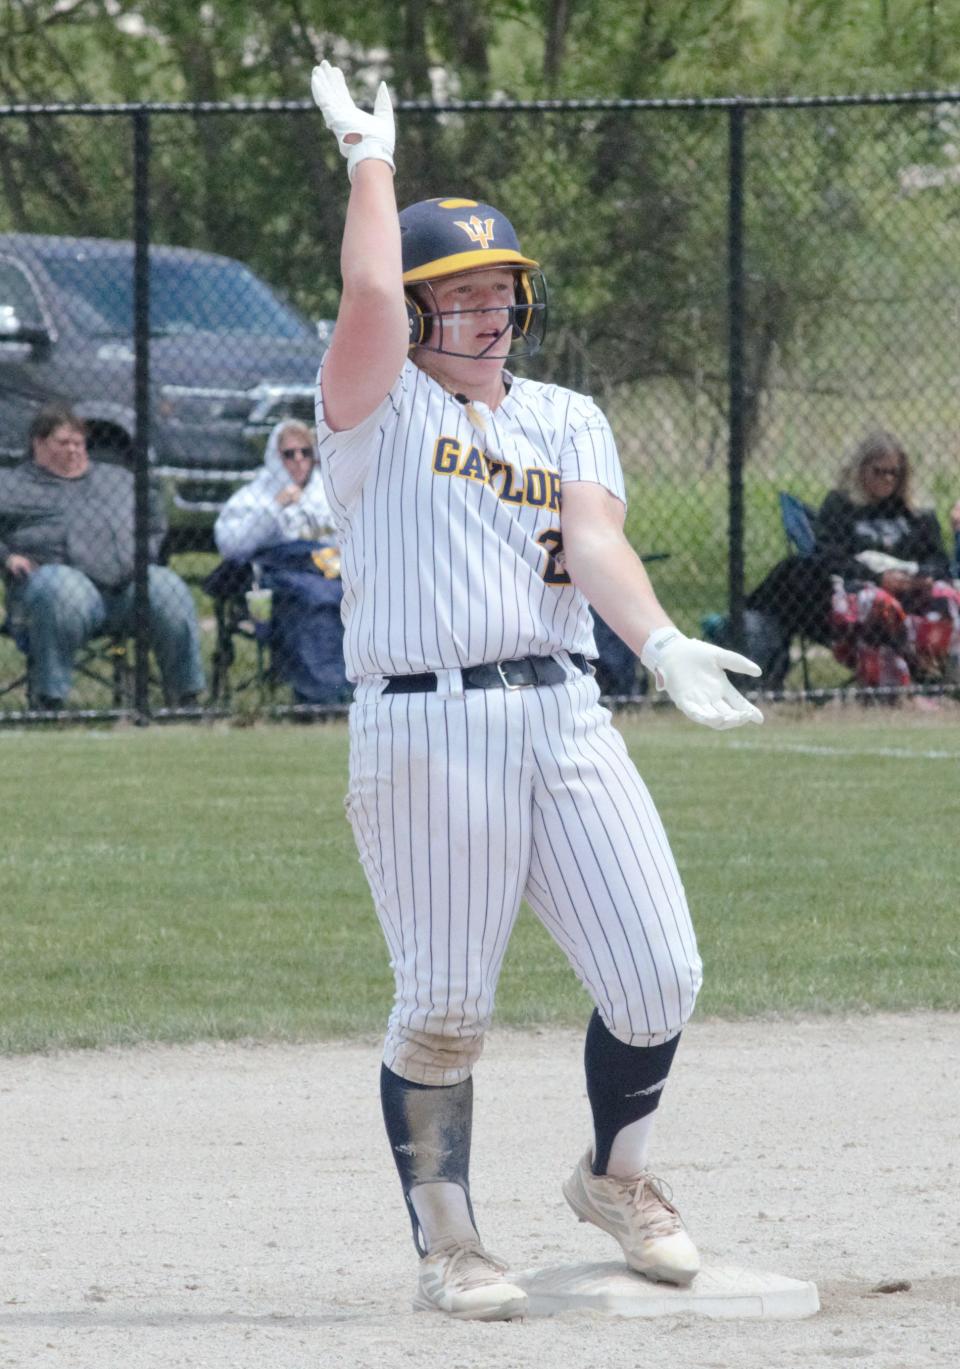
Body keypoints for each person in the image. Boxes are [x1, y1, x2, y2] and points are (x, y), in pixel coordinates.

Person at [309, 58, 763, 1323]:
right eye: (452, 295)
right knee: (446, 1004)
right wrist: (367, 160)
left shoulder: (567, 414)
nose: (486, 312)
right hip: (425, 721)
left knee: (660, 973)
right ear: (413, 313)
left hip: (564, 711)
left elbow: (599, 540)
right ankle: (448, 1238)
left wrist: (660, 640)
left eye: (499, 289)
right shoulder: (374, 407)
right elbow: (361, 293)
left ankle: (615, 1177)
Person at [0, 403, 205, 709]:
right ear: (38, 444)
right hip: (52, 593)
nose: (73, 450)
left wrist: (144, 556)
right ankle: (50, 701)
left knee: (167, 588)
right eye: (63, 443)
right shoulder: (12, 484)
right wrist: (6, 557)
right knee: (60, 588)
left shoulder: (118, 479)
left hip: (125, 589)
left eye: (78, 443)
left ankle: (186, 697)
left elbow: (154, 522)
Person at [749, 432, 960, 688]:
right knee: (877, 603)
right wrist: (878, 579)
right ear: (861, 471)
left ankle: (944, 680)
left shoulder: (917, 515)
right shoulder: (841, 506)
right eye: (879, 471)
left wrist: (920, 578)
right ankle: (893, 690)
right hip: (857, 590)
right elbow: (828, 558)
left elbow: (938, 561)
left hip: (911, 589)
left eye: (894, 473)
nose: (888, 479)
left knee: (948, 595)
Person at [213, 419, 335, 562]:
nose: (299, 459)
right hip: (274, 572)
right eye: (289, 454)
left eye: (305, 452)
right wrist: (274, 507)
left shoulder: (326, 491)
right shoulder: (254, 495)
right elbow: (230, 546)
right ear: (275, 457)